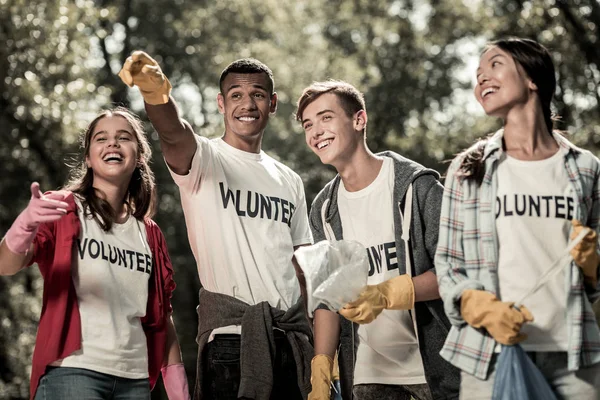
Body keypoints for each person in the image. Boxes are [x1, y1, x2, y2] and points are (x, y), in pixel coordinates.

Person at [118, 53, 314, 400]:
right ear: (221, 103)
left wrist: (317, 340)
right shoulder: (205, 159)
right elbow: (174, 133)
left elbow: (302, 267)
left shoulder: (290, 180)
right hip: (230, 342)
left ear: (272, 104)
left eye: (257, 94)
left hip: (290, 341)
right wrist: (156, 94)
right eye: (236, 95)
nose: (247, 103)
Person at [435, 37, 600, 399]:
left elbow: (595, 281)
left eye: (494, 65)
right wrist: (474, 305)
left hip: (575, 357)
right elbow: (448, 264)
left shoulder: (585, 169)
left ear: (533, 79)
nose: (481, 79)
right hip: (490, 355)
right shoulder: (469, 168)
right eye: (477, 75)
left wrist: (593, 266)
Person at [0, 107, 190, 399]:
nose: (112, 143)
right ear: (88, 157)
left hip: (135, 381)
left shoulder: (150, 233)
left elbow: (162, 318)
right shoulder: (63, 208)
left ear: (139, 156)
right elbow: (5, 265)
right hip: (73, 374)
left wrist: (179, 390)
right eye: (101, 138)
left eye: (123, 137)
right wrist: (24, 225)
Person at [295, 80, 459, 400]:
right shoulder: (324, 211)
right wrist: (322, 364)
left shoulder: (417, 189)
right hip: (370, 371)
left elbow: (457, 271)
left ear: (359, 120)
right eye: (308, 124)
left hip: (435, 366)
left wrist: (386, 294)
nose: (316, 132)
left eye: (326, 118)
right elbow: (329, 299)